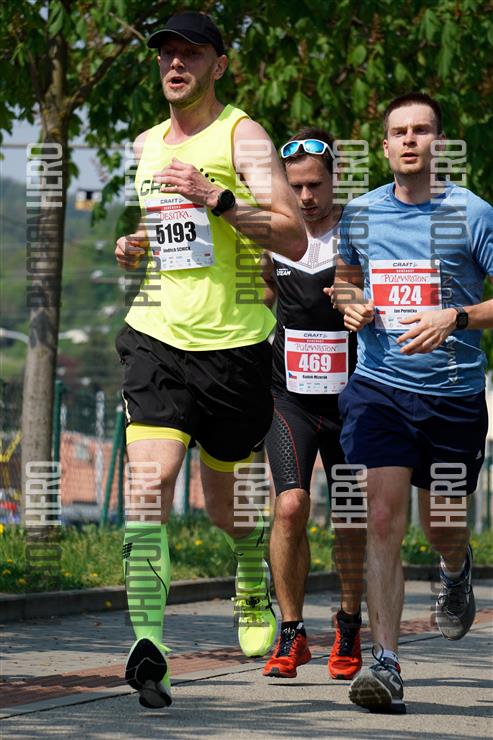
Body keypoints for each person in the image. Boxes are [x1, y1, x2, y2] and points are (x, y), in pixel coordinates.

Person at [114, 10, 306, 709]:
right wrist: (138, 243)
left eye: (191, 53)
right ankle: (148, 645)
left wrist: (217, 197)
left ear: (218, 65)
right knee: (149, 483)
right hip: (156, 334)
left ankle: (251, 571)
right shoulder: (144, 145)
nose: (175, 63)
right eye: (166, 53)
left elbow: (290, 234)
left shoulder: (241, 135)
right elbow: (172, 232)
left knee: (227, 510)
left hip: (234, 348)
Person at [332, 91, 493, 714]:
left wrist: (457, 316)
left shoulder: (472, 214)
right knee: (381, 519)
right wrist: (350, 303)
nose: (409, 140)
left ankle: (455, 568)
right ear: (384, 145)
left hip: (452, 398)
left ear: (439, 143)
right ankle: (387, 663)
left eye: (421, 130)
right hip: (379, 389)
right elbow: (345, 279)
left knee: (442, 525)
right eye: (398, 131)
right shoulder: (361, 214)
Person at [261, 129, 365, 681]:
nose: (305, 197)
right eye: (296, 186)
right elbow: (264, 293)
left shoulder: (358, 230)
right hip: (290, 398)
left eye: (315, 185)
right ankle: (291, 632)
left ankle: (348, 625)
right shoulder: (275, 233)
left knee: (349, 514)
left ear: (334, 179)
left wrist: (358, 303)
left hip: (351, 401)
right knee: (290, 506)